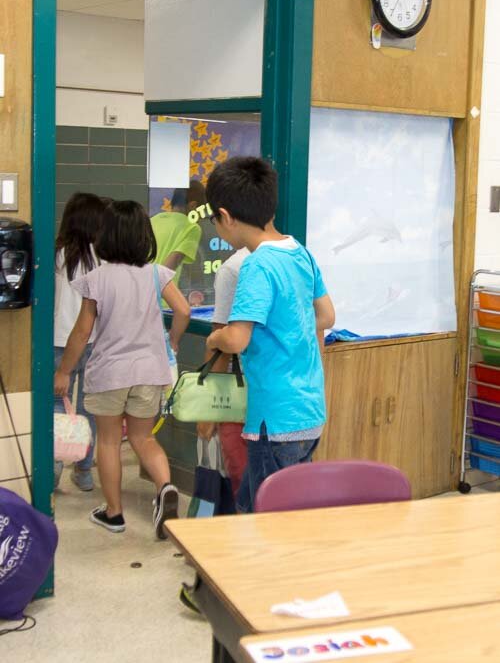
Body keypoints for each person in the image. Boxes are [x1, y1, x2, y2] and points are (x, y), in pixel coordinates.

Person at [205, 157, 335, 512]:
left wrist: (214, 339)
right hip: (309, 410)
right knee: (260, 504)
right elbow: (326, 315)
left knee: (268, 517)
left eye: (214, 221)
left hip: (275, 417)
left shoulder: (257, 264)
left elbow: (237, 339)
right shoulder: (300, 253)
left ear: (225, 216)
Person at [54, 200, 191, 536]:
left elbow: (82, 331)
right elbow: (184, 310)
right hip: (149, 372)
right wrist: (172, 341)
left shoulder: (97, 278)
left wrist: (65, 371)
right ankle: (165, 488)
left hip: (110, 374)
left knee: (110, 442)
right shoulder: (157, 273)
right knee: (144, 438)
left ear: (107, 235)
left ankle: (114, 514)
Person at [54, 192, 107, 492]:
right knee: (89, 409)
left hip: (59, 343)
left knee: (54, 407)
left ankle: (54, 471)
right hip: (94, 343)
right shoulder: (103, 258)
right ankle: (84, 471)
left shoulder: (56, 255)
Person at [197, 247, 250, 497]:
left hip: (238, 397)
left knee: (241, 479)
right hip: (290, 403)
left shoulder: (232, 268)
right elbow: (324, 317)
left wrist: (208, 412)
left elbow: (224, 345)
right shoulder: (296, 254)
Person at [151, 180, 204, 289]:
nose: (203, 217)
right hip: (163, 298)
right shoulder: (191, 228)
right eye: (202, 211)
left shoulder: (153, 220)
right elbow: (167, 271)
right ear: (193, 206)